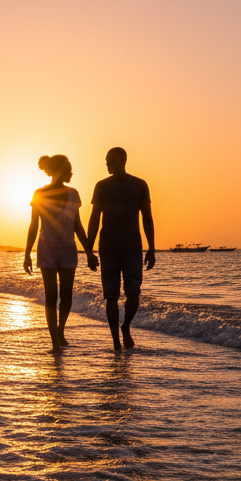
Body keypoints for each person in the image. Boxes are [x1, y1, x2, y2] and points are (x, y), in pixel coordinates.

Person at [24, 154, 98, 353]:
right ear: (59, 170)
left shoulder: (74, 194)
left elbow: (77, 226)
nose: (71, 173)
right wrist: (26, 254)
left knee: (66, 296)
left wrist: (89, 253)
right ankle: (54, 342)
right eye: (68, 169)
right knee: (50, 296)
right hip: (46, 247)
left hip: (68, 248)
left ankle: (60, 331)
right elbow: (33, 226)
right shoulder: (39, 193)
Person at [86, 146, 155, 351]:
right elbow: (94, 218)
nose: (107, 164)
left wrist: (152, 247)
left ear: (123, 160)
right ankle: (115, 340)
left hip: (133, 248)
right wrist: (89, 251)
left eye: (111, 161)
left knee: (133, 294)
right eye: (106, 161)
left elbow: (147, 217)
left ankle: (126, 327)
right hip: (108, 249)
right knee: (111, 297)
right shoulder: (101, 186)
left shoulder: (140, 185)